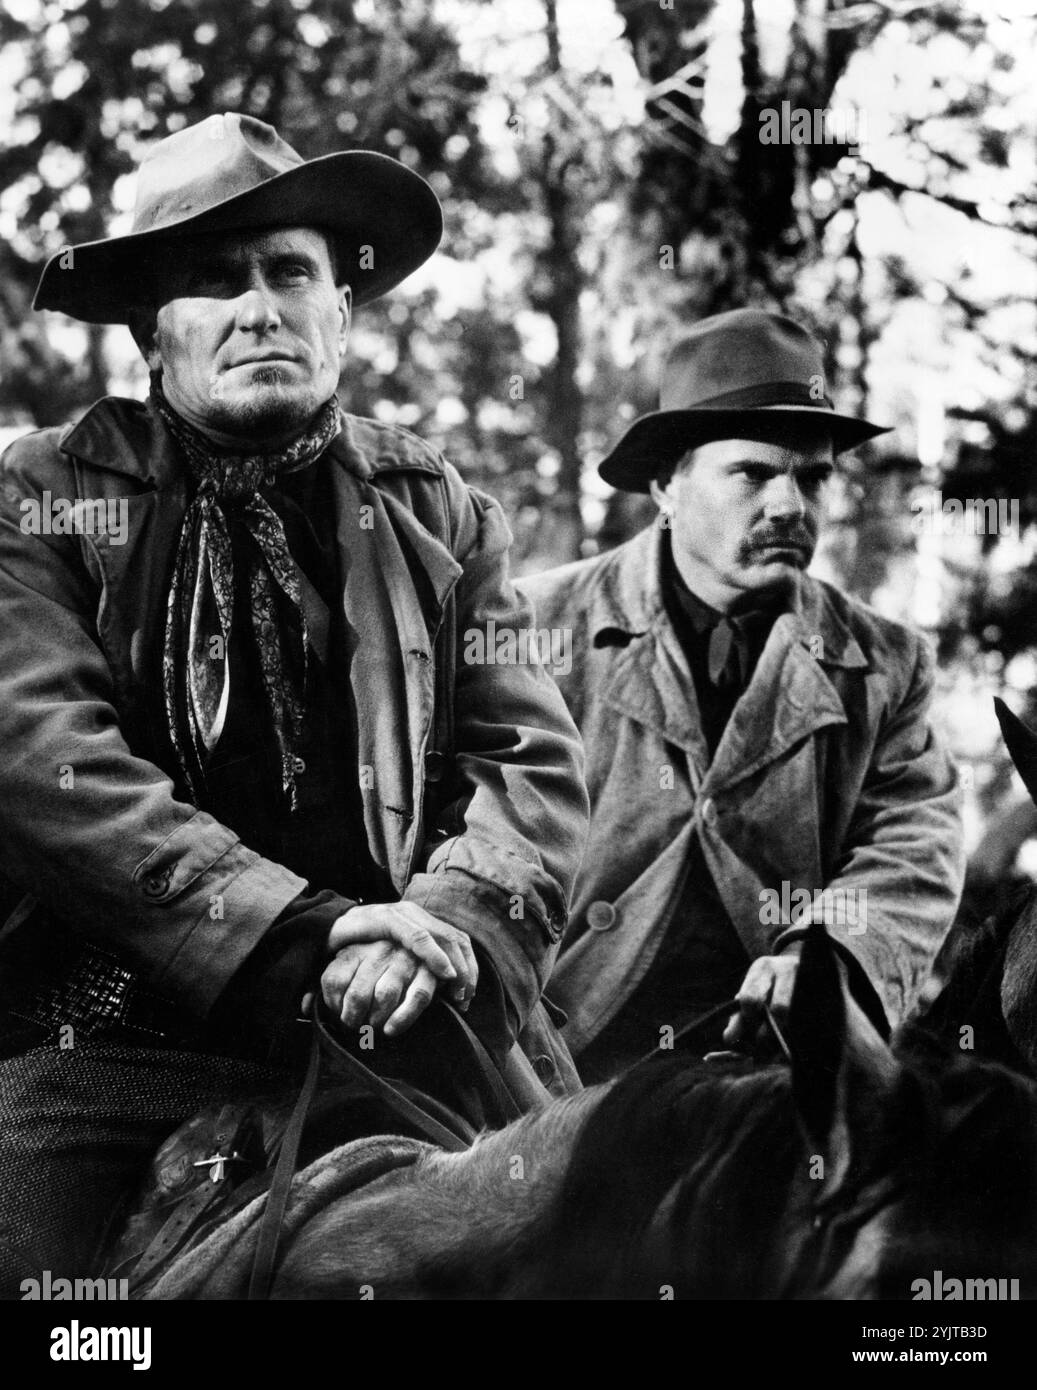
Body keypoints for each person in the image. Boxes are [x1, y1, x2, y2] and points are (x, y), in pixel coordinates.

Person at [0, 112, 588, 1292]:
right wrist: (297, 933)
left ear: (341, 310)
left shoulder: (444, 509)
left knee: (628, 1221)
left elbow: (529, 763)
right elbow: (47, 759)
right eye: (215, 282)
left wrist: (451, 936)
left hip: (406, 1013)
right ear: (150, 331)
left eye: (290, 274)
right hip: (113, 1036)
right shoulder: (42, 493)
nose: (260, 309)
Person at [520, 308, 965, 1083]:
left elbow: (913, 846)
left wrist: (826, 954)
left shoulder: (886, 665)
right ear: (665, 484)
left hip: (772, 1065)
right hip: (551, 1063)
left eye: (813, 476)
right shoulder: (532, 629)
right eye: (754, 474)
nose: (791, 505)